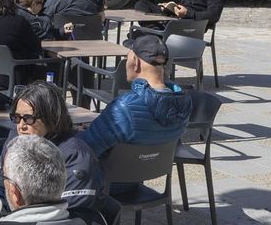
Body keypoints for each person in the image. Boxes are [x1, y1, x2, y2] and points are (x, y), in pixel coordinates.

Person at [78, 31, 193, 189]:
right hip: (141, 180)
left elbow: (86, 149)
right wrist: (99, 127)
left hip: (108, 186)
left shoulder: (124, 108)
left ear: (135, 62)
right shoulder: (184, 103)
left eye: (127, 57)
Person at [0, 81, 106, 223]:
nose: (21, 126)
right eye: (16, 118)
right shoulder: (16, 140)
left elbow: (69, 216)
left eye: (29, 119)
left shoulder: (76, 157)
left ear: (52, 118)